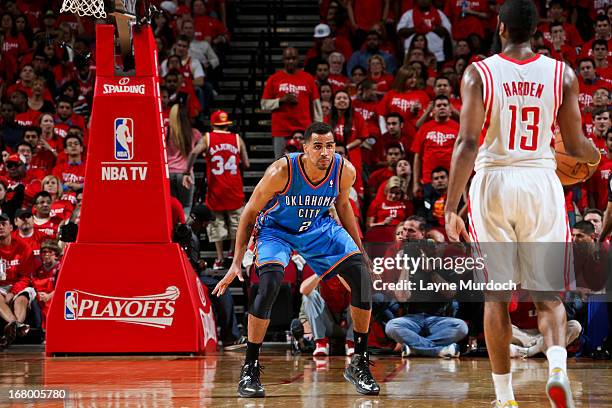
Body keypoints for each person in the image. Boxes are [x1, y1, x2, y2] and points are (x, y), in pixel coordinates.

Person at [445, 1, 600, 407]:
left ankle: (505, 398)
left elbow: (465, 144)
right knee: (548, 296)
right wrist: (594, 157)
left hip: (493, 181)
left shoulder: (479, 73)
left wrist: (448, 207)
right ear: (537, 30)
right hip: (540, 182)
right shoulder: (561, 74)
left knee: (496, 298)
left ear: (499, 28)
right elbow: (577, 143)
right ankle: (557, 371)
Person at [212, 122, 379, 397]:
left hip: (317, 228)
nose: (325, 152)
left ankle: (359, 362)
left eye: (329, 146)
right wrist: (235, 261)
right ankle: (250, 367)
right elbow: (249, 212)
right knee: (269, 285)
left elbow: (344, 206)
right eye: (318, 146)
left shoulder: (344, 170)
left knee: (361, 278)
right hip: (276, 231)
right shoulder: (281, 171)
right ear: (305, 148)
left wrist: (360, 251)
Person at [183, 110, 249, 269]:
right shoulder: (237, 138)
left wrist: (187, 171)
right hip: (234, 187)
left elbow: (193, 152)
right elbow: (246, 164)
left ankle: (219, 259)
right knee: (236, 223)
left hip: (216, 188)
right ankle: (232, 253)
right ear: (227, 125)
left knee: (216, 223)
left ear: (212, 124)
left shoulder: (208, 138)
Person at [261, 47, 323, 158]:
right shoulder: (274, 79)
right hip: (281, 130)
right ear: (283, 60)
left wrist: (318, 128)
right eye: (288, 58)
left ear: (298, 59)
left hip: (304, 129)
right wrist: (281, 100)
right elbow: (264, 104)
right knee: (280, 165)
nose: (291, 61)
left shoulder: (308, 78)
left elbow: (316, 105)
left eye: (294, 58)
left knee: (307, 163)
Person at [0, 212, 36, 349]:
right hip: (0, 286)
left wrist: (12, 292)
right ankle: (17, 326)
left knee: (21, 299)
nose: (0, 227)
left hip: (19, 284)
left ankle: (13, 327)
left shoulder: (23, 247)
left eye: (3, 224)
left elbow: (25, 277)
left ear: (10, 227)